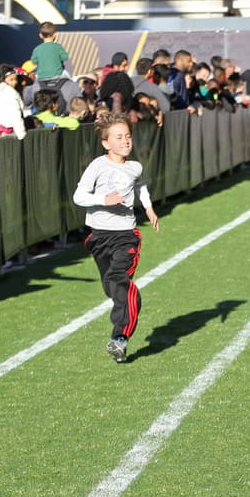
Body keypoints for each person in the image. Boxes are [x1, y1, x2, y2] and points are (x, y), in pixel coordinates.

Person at [73, 112, 159, 363]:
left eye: (128, 136)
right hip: (99, 236)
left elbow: (140, 186)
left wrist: (149, 207)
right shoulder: (98, 166)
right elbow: (79, 196)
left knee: (119, 280)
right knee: (111, 288)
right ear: (106, 143)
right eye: (119, 137)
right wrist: (104, 199)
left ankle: (120, 338)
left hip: (126, 235)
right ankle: (120, 336)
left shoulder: (134, 167)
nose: (125, 141)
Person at [31, 21, 69, 91]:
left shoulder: (37, 49)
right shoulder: (58, 47)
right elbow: (65, 57)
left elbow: (34, 61)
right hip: (58, 76)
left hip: (41, 78)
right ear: (55, 35)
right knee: (69, 79)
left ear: (40, 35)